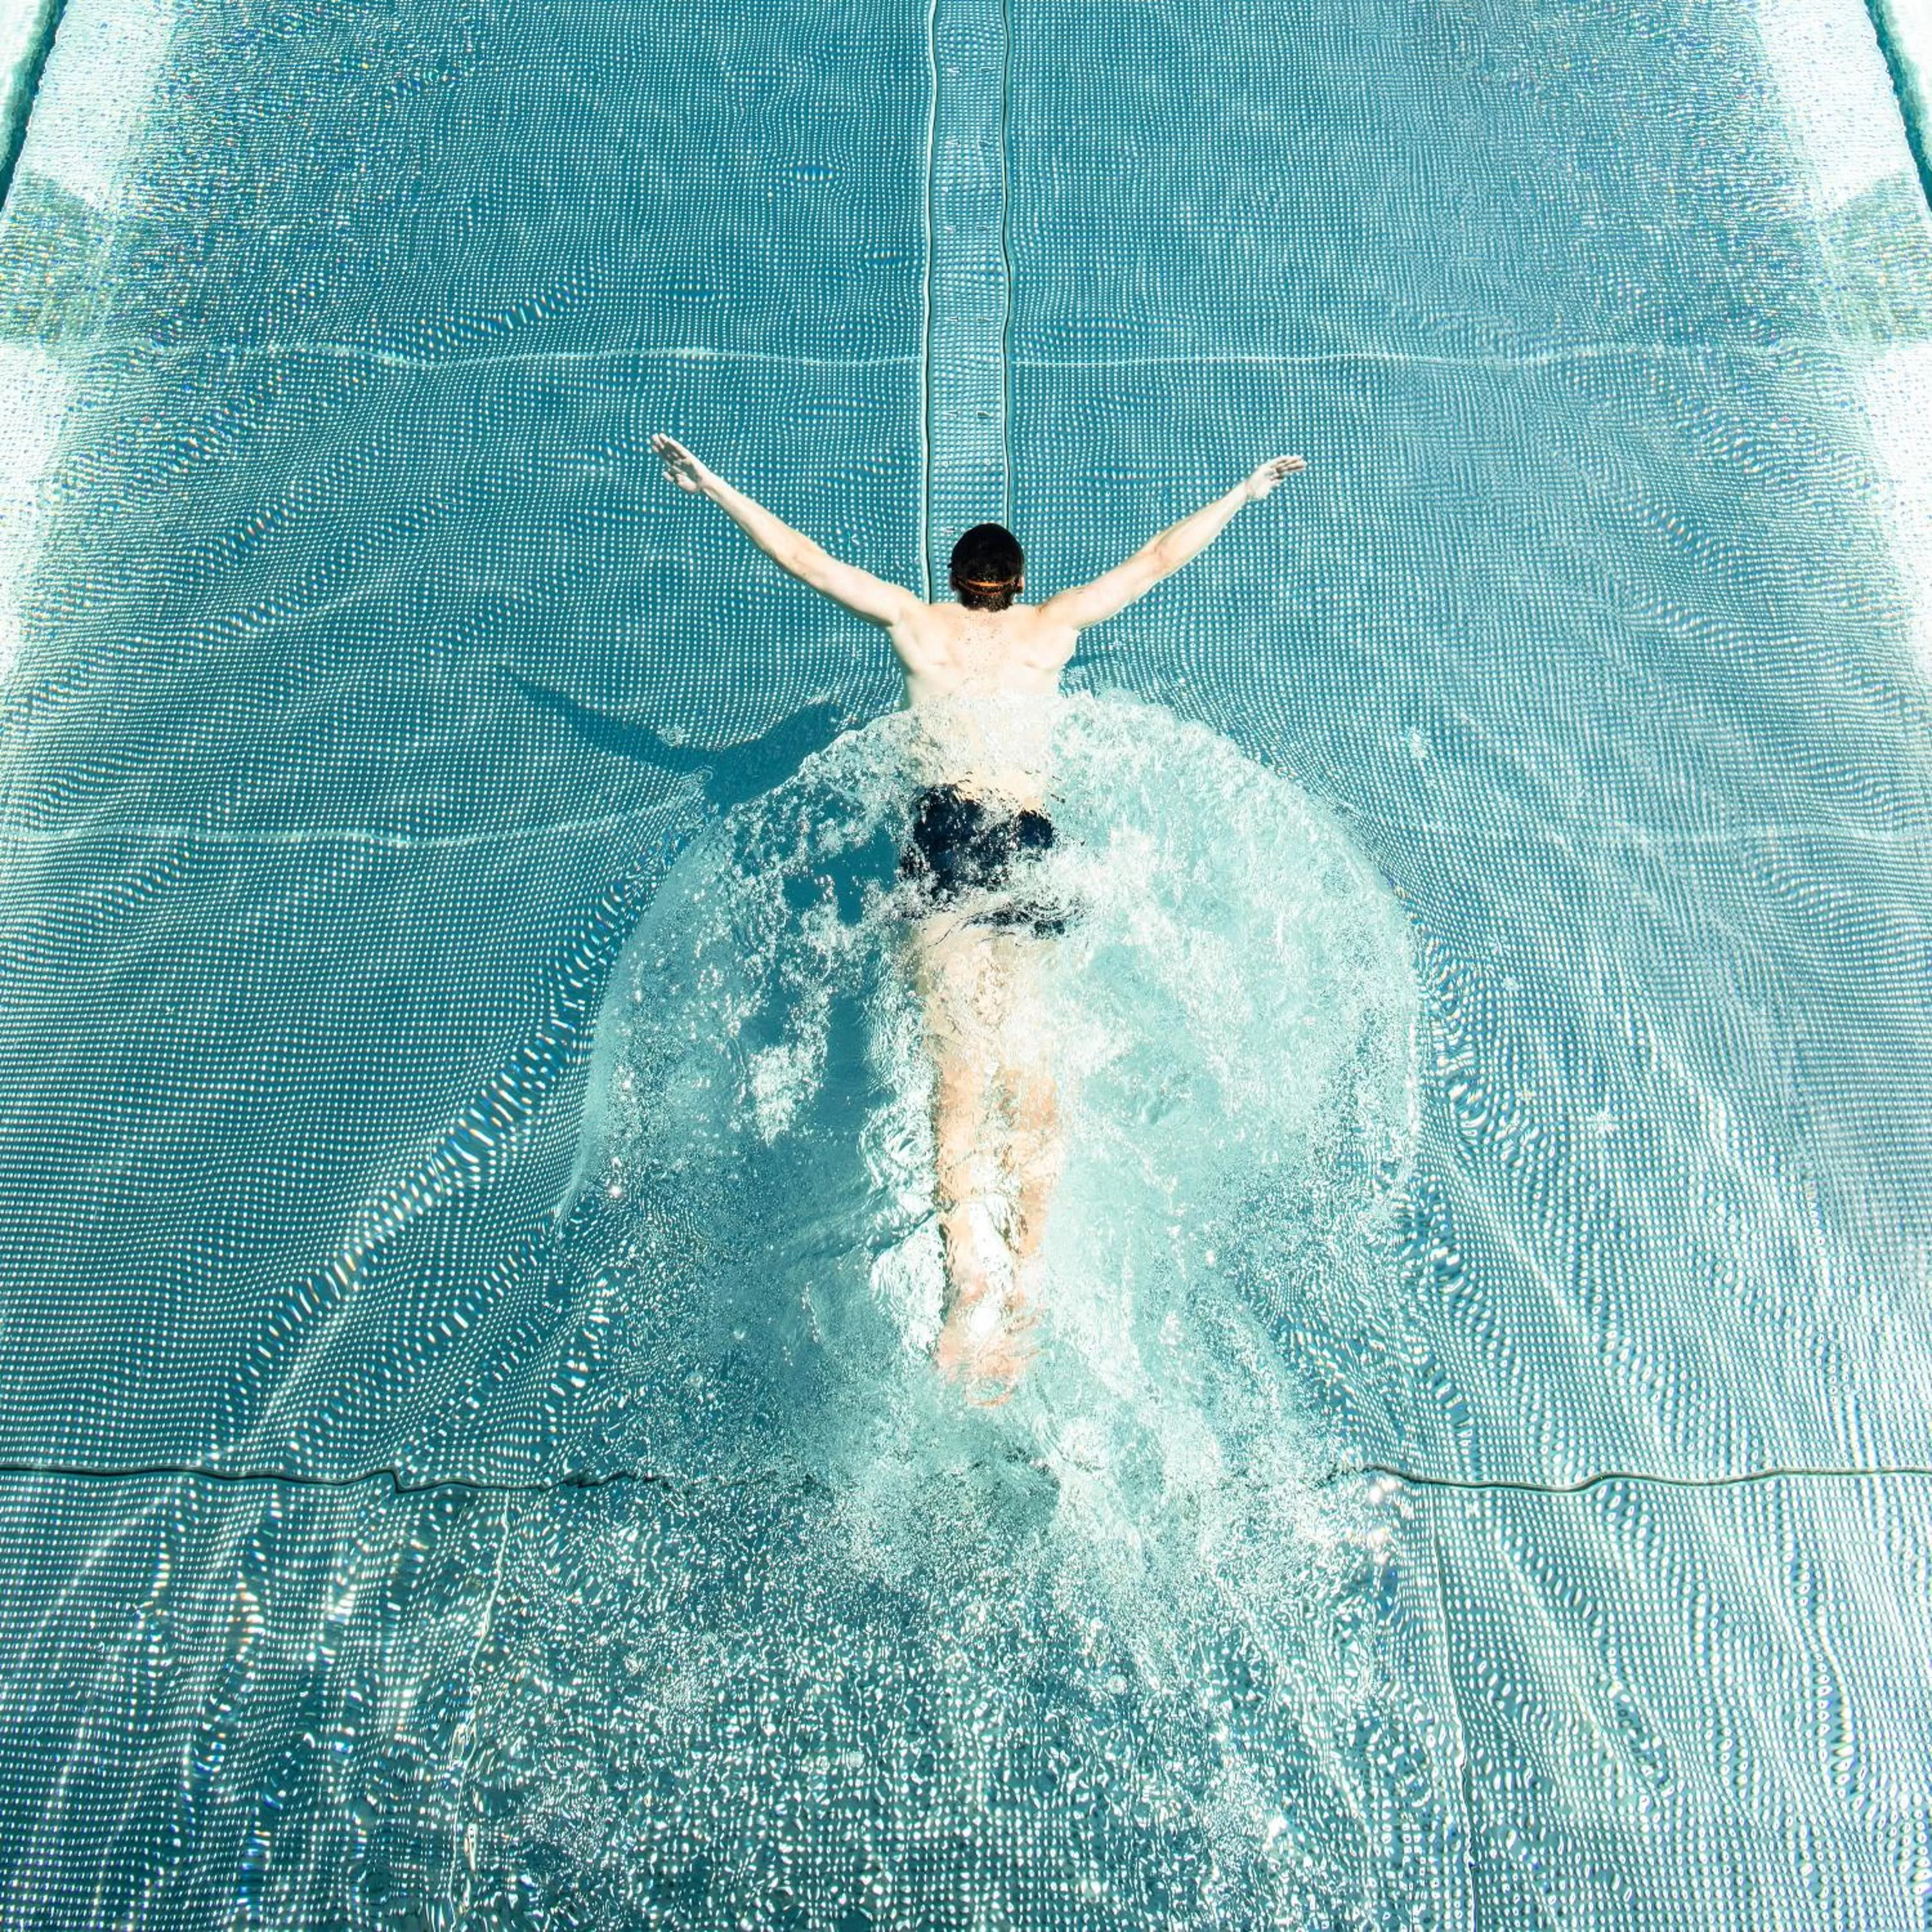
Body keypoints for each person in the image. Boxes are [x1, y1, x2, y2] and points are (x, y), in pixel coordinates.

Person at [652, 433, 1305, 1399]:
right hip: (1027, 841)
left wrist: (709, 485)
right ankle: (1030, 1267)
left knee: (960, 1067)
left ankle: (971, 1287)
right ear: (1018, 580)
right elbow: (1159, 557)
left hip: (946, 836)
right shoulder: (1053, 631)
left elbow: (805, 557)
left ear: (955, 583)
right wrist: (1245, 487)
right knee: (1029, 1059)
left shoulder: (916, 628)